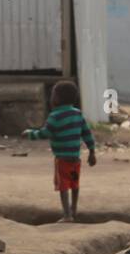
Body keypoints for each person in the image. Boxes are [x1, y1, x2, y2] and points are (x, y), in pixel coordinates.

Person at [22, 81, 97, 222]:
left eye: (52, 95)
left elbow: (45, 133)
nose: (50, 98)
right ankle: (74, 209)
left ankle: (67, 215)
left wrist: (30, 134)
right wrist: (92, 151)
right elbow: (87, 133)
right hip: (75, 158)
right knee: (74, 183)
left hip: (62, 159)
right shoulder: (77, 114)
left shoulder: (54, 116)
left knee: (63, 185)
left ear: (57, 99)